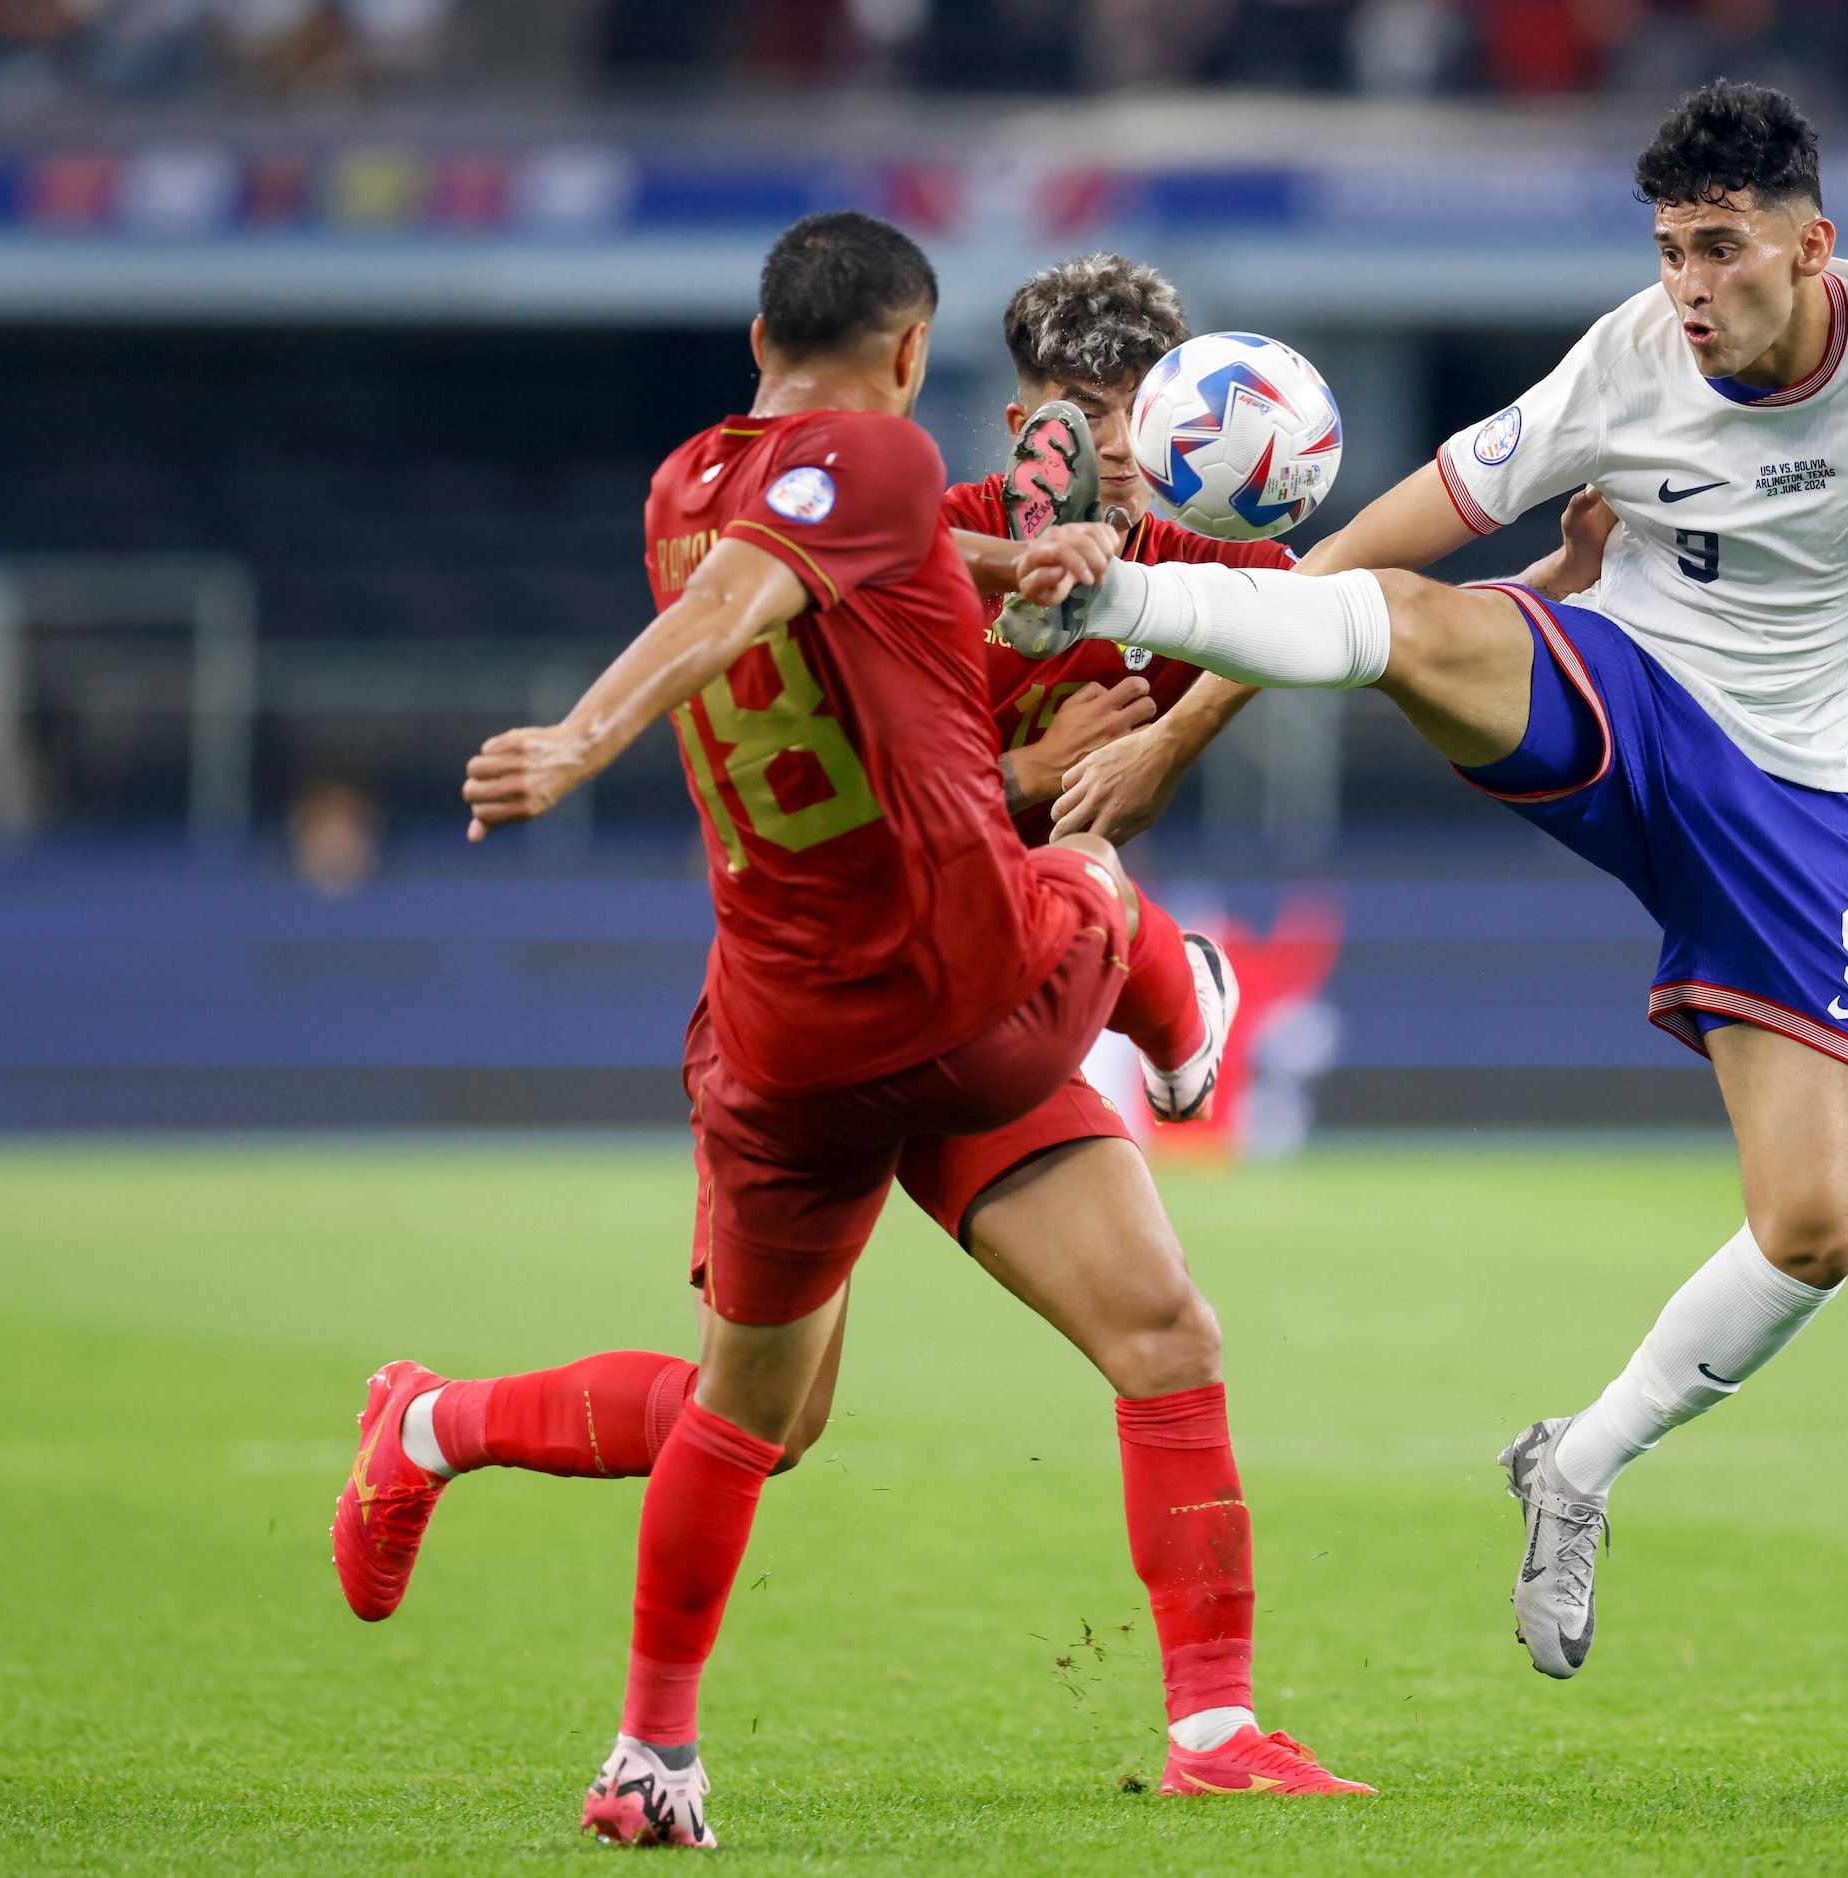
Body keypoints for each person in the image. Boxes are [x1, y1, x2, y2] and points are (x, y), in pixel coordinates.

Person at [1011, 81, 1848, 1680]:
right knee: (1419, 622)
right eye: (1671, 251)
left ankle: (1577, 1462)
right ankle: (1111, 594)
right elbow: (1382, 542)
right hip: (1629, 697)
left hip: (1794, 799)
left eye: (1722, 251)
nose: (1693, 291)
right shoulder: (1625, 360)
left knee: (1816, 1225)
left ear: (1813, 244)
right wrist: (1177, 722)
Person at [336, 213, 1363, 1850]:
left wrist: (1559, 597)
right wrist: (589, 742)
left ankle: (1214, 1724)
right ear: (940, 377)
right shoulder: (899, 495)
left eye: (1118, 411)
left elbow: (1366, 612)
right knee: (771, 1414)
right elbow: (845, 647)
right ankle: (1182, 1002)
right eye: (1054, 406)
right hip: (941, 973)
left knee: (1162, 1334)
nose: (1083, 439)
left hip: (937, 1007)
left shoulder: (1124, 549)